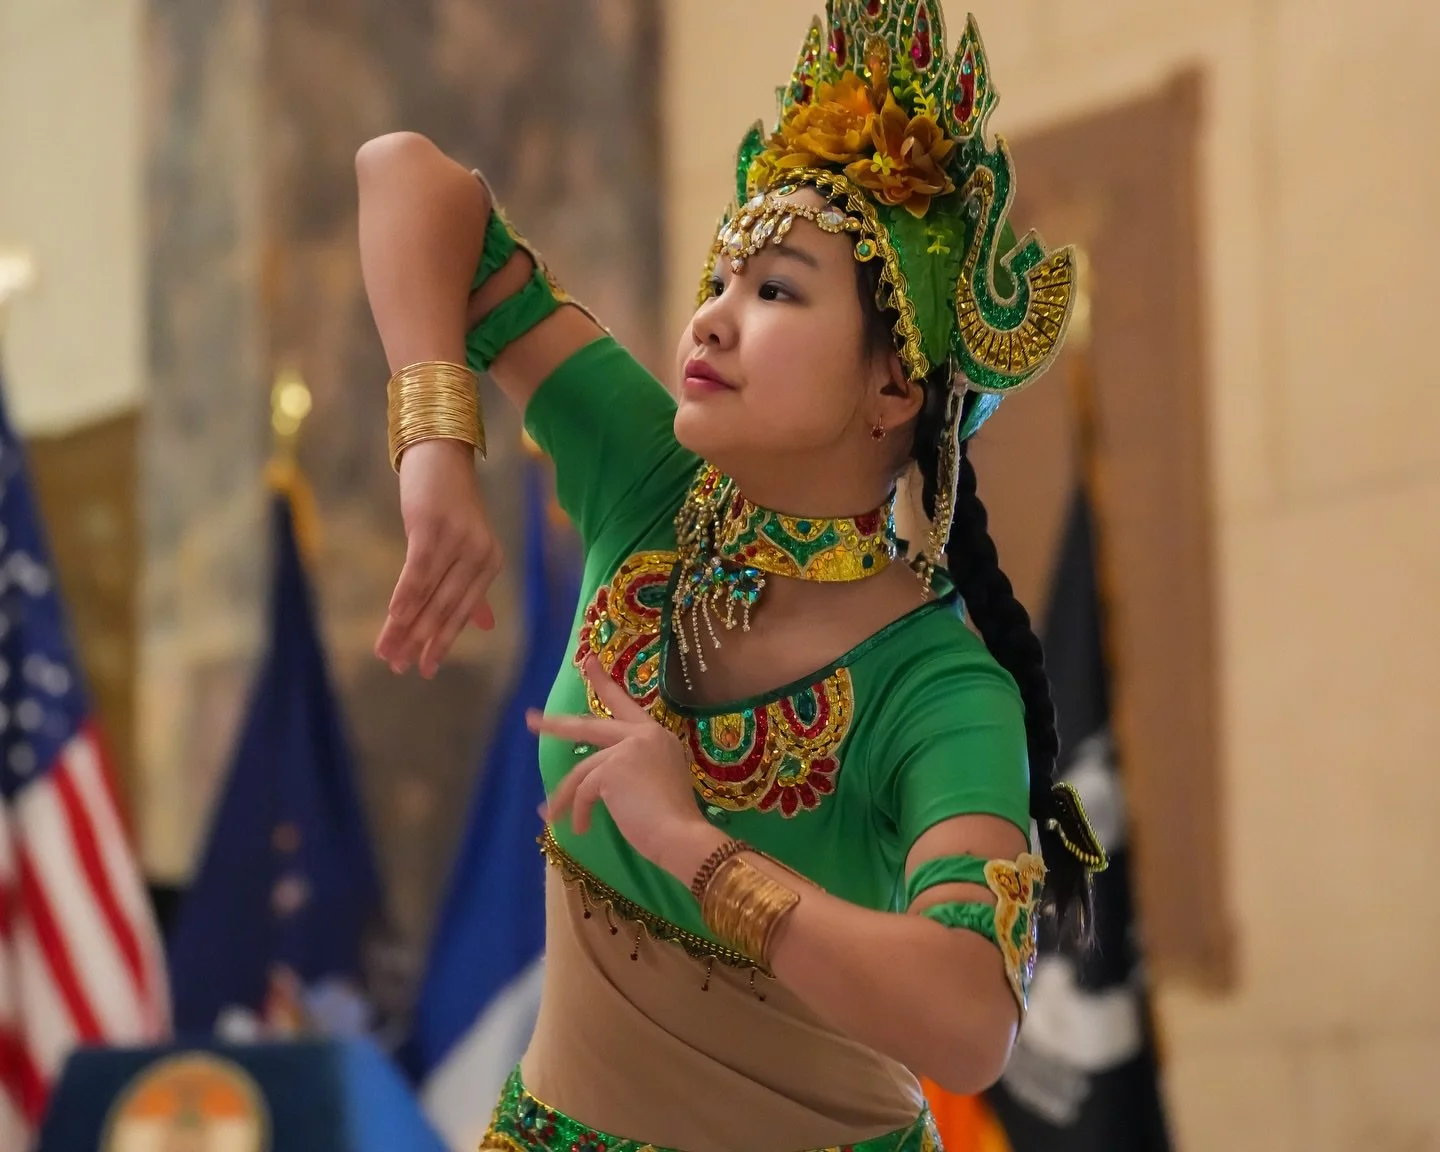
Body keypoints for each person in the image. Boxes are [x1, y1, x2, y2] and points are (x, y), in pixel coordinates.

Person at [356, 4, 1107, 1150]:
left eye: (776, 291)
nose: (711, 315)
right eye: (722, 276)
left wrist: (693, 844)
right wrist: (434, 448)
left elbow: (969, 1021)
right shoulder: (652, 482)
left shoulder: (940, 686)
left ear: (894, 391)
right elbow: (406, 177)